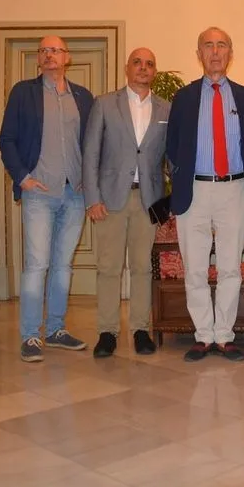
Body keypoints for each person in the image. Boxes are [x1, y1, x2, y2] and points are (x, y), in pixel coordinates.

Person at [0, 35, 94, 362]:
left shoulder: (83, 96)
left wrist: (89, 181)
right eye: (44, 50)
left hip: (75, 194)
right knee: (37, 264)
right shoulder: (24, 92)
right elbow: (6, 138)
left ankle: (55, 330)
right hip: (39, 193)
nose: (49, 55)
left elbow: (93, 144)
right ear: (39, 59)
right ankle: (30, 336)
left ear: (67, 57)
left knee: (63, 265)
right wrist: (22, 177)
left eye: (55, 50)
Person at [166, 27, 244, 362]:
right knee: (195, 269)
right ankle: (203, 335)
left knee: (231, 268)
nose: (215, 51)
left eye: (222, 45)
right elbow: (172, 146)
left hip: (234, 189)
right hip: (194, 190)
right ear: (199, 54)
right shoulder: (184, 97)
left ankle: (224, 336)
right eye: (209, 45)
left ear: (230, 54)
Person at [82, 47, 170, 358]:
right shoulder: (105, 104)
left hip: (148, 200)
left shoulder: (165, 109)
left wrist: (175, 201)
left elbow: (171, 159)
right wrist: (92, 198)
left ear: (154, 71)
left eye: (149, 63)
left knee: (142, 268)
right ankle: (107, 332)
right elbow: (90, 154)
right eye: (137, 62)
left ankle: (140, 330)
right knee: (108, 268)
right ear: (126, 68)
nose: (143, 68)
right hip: (110, 199)